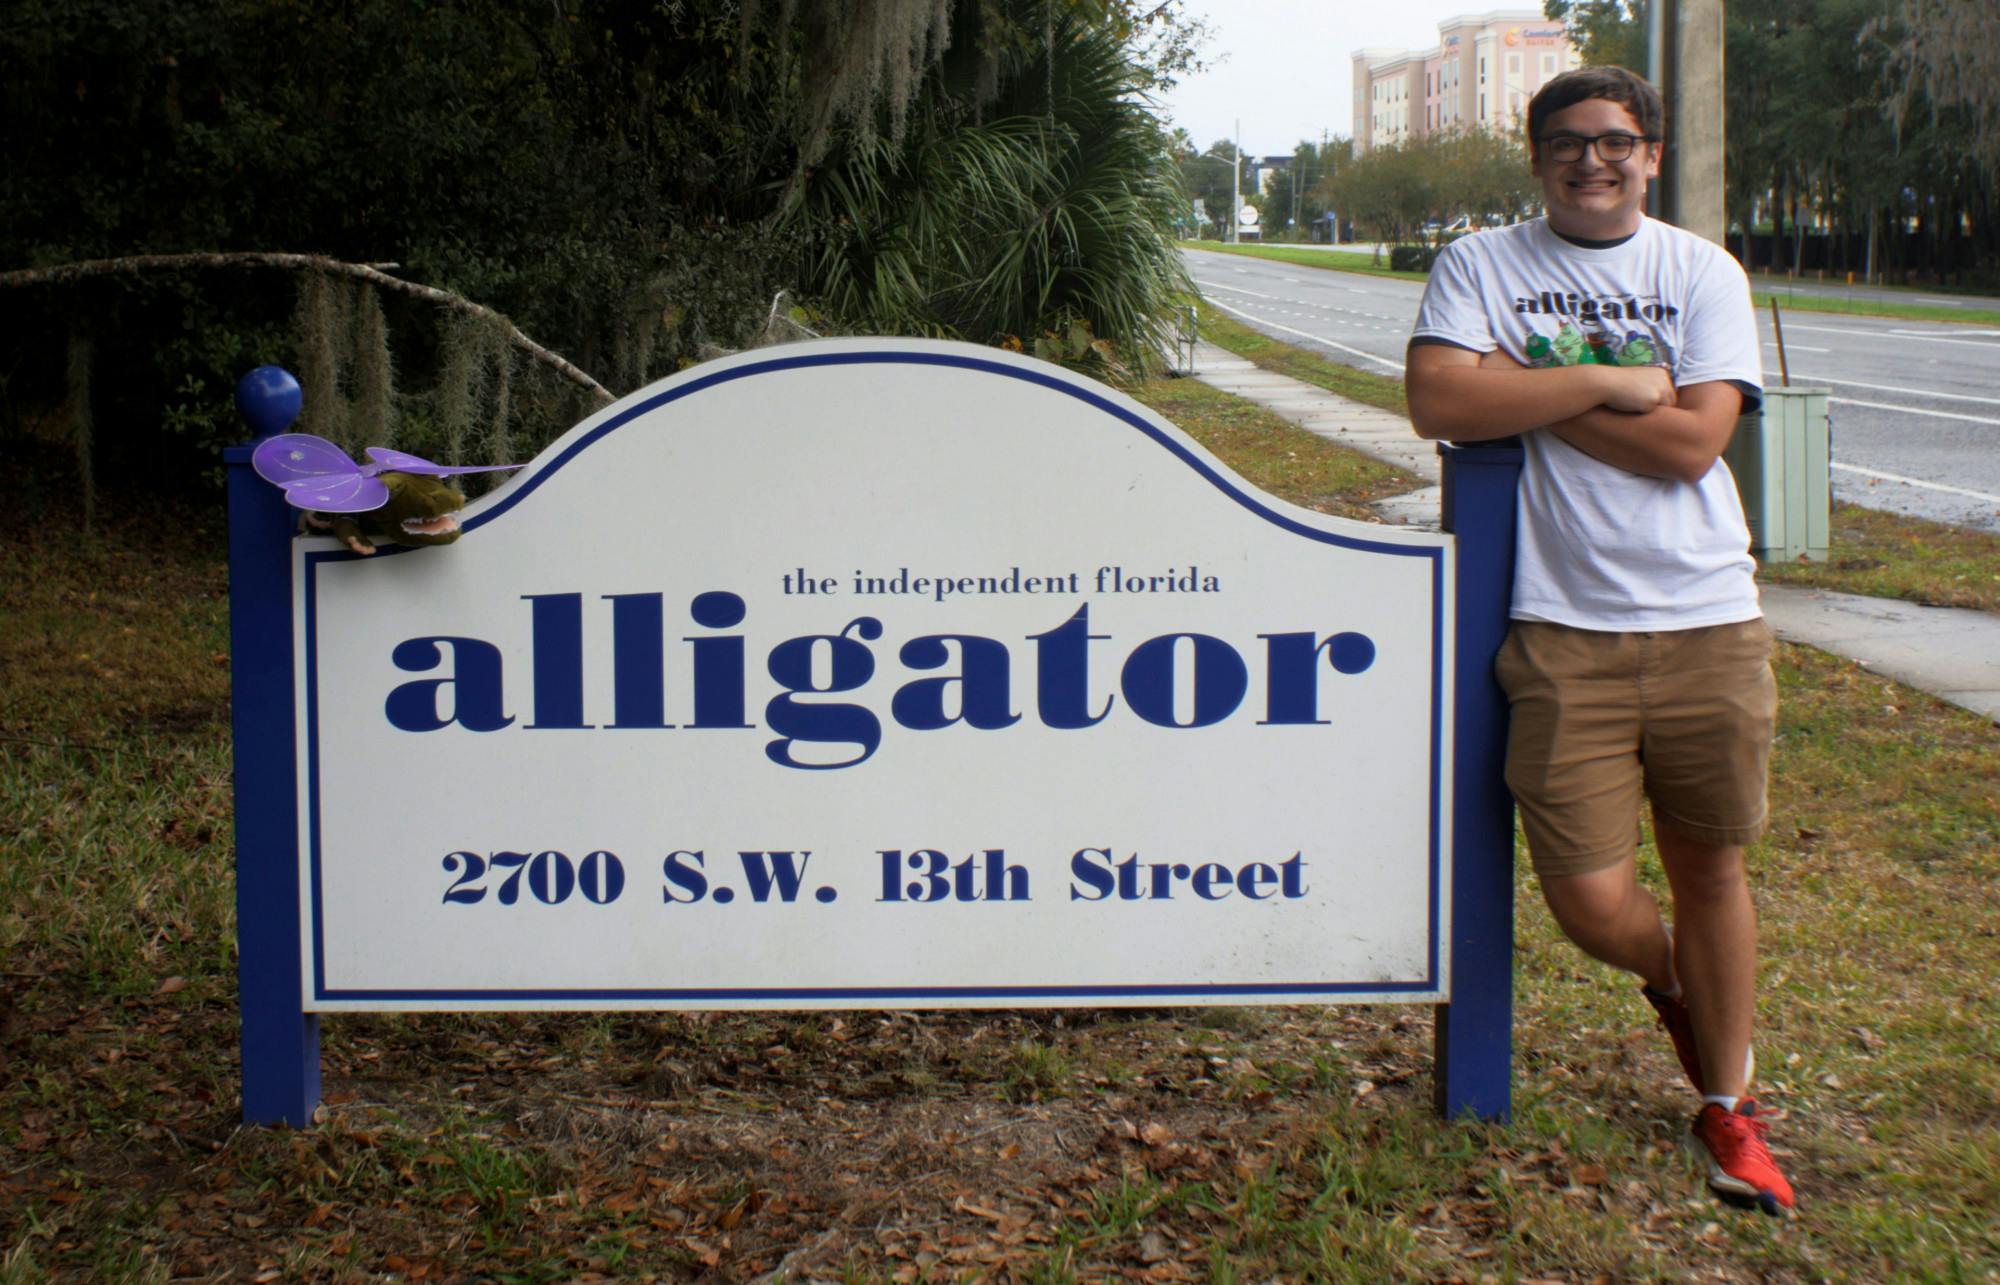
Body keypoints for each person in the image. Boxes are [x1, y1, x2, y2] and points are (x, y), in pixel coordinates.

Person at [1405, 66, 1795, 1217]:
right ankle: (1675, 979)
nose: (1592, 160)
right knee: (1584, 899)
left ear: (1649, 154)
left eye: (1615, 141)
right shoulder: (1481, 263)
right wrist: (1611, 381)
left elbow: (1692, 447)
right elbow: (1437, 402)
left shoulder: (1698, 272)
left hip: (1705, 620)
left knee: (1708, 864)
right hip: (1560, 630)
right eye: (1568, 142)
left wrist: (1521, 385)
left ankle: (1727, 1104)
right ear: (1536, 159)